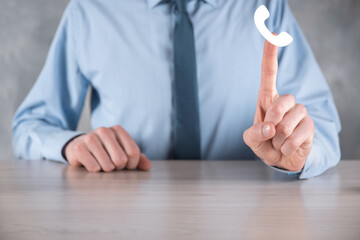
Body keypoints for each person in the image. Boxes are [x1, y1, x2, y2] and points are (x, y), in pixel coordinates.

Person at [12, 0, 341, 179]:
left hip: (249, 219)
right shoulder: (89, 11)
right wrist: (71, 145)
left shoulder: (265, 7)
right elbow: (30, 125)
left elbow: (322, 123)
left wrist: (298, 152)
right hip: (122, 219)